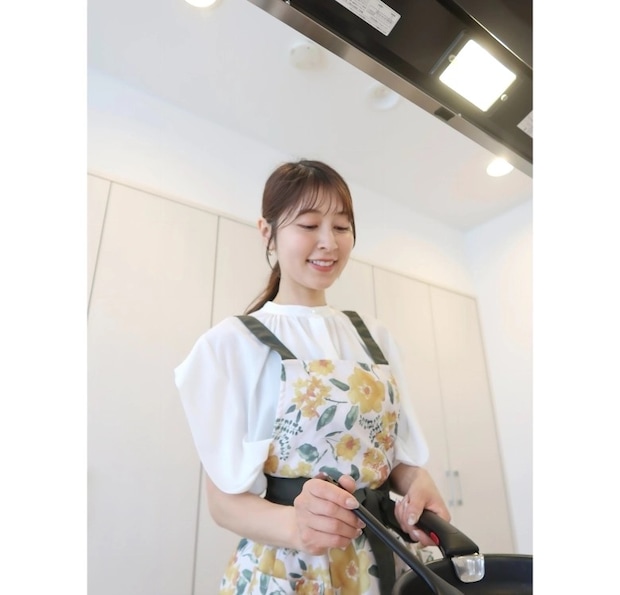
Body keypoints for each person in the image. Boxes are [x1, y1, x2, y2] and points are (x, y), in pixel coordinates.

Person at [174, 159, 450, 595]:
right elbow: (223, 502)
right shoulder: (231, 344)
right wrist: (296, 526)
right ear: (267, 231)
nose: (329, 242)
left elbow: (391, 456)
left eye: (341, 227)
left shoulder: (374, 335)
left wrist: (417, 483)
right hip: (289, 572)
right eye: (308, 225)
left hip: (381, 562)